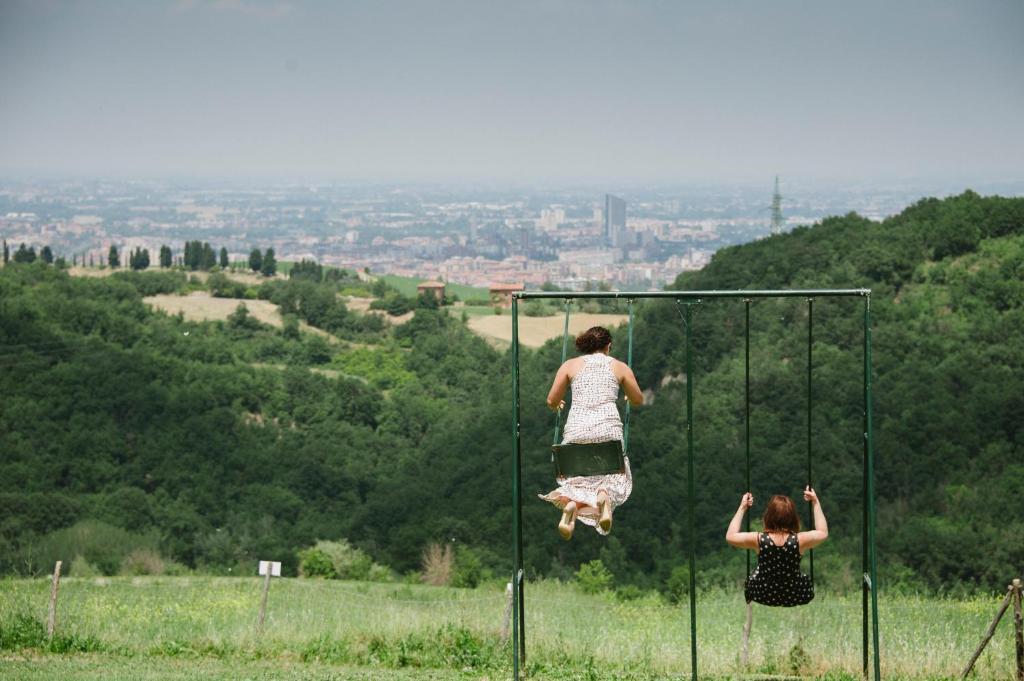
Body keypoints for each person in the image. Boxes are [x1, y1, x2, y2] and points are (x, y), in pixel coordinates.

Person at [538, 326, 643, 539]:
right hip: (607, 429)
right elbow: (638, 399)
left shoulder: (570, 365)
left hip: (577, 429)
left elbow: (551, 400)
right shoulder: (619, 367)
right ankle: (604, 496)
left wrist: (557, 404)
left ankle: (572, 508)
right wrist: (628, 398)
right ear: (608, 346)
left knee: (578, 478)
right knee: (615, 475)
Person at [725, 487, 828, 607]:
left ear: (769, 516)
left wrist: (742, 508)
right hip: (795, 593)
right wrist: (815, 502)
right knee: (802, 578)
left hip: (763, 593)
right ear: (793, 518)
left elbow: (730, 536)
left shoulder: (759, 540)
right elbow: (823, 532)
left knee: (755, 574)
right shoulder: (800, 540)